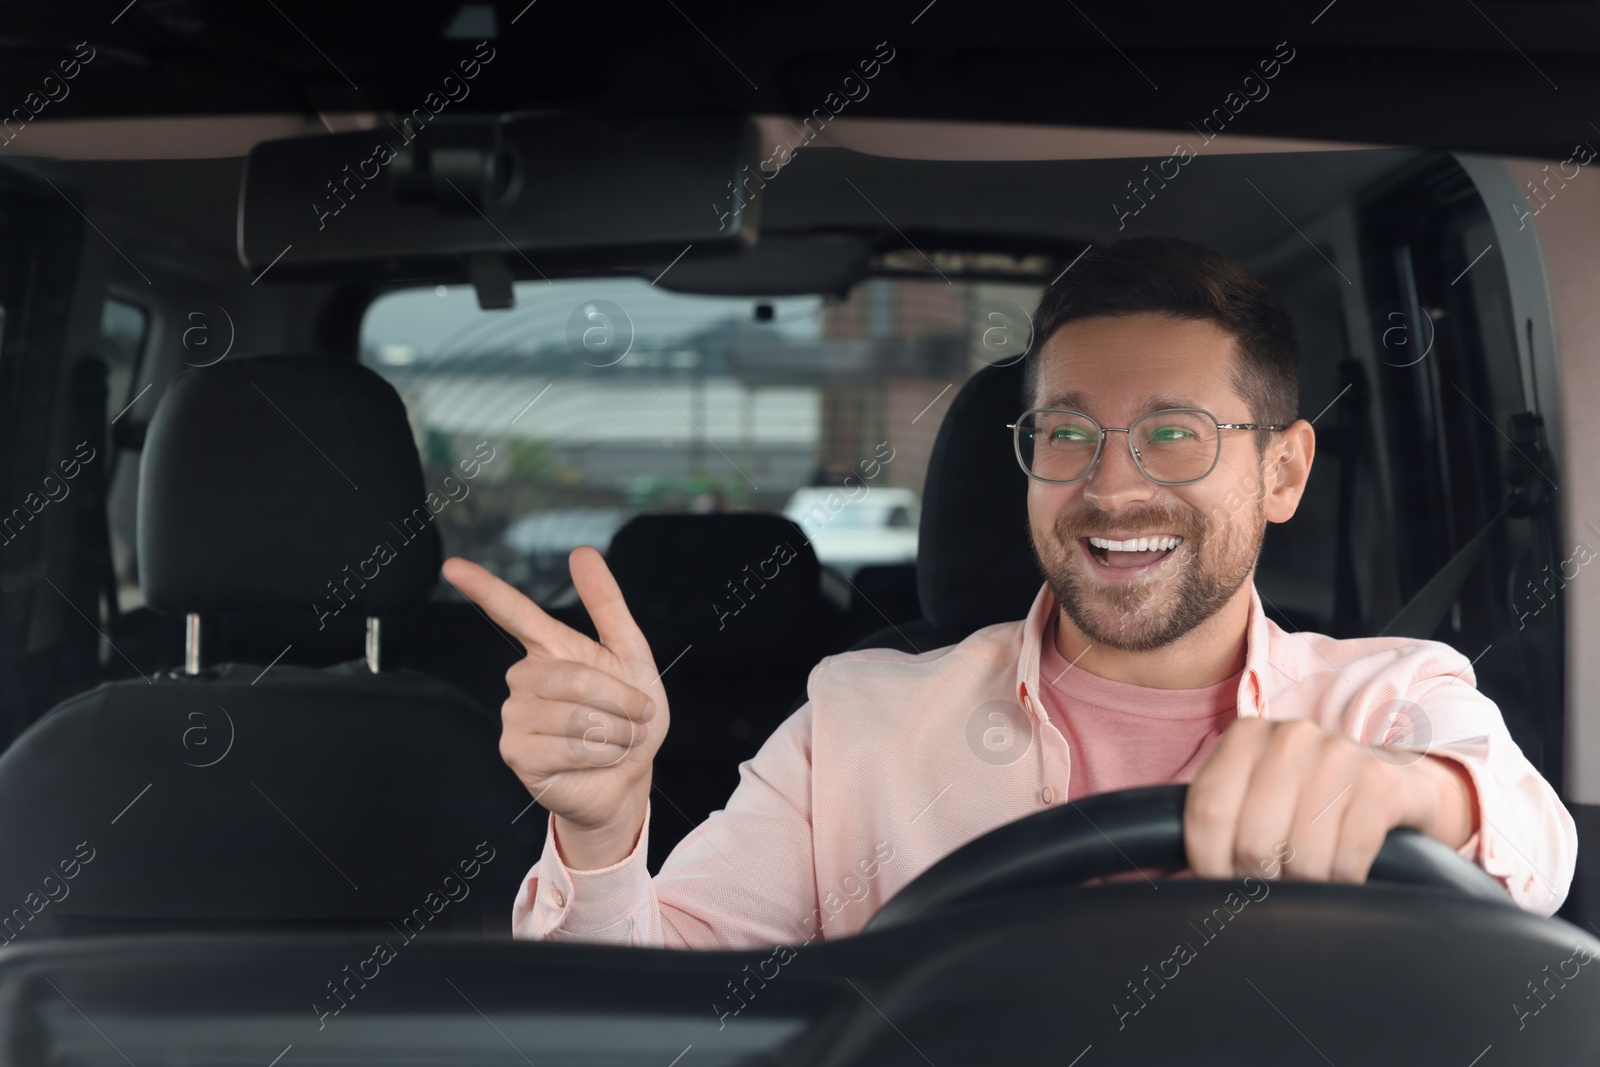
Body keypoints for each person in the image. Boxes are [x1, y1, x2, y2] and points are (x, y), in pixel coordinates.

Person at [443, 237, 1576, 948]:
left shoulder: (1385, 699)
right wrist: (598, 831)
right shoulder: (858, 720)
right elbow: (642, 1007)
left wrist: (1409, 796)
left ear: (1281, 471)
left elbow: (1537, 852)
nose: (1113, 485)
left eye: (1173, 434)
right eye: (1068, 431)